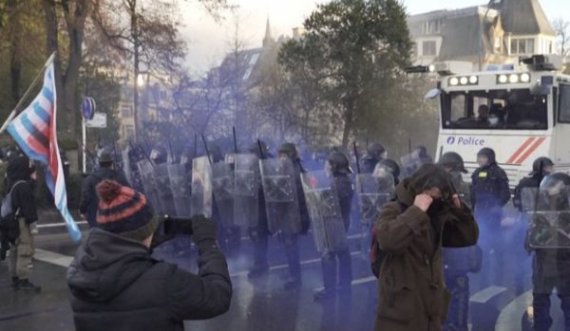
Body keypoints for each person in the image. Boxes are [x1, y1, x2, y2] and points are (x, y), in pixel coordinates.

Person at [67, 180, 232, 331]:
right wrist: (207, 243)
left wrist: (169, 228)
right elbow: (217, 296)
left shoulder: (81, 274)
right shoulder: (163, 281)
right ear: (145, 233)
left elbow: (125, 245)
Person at [375, 164, 478, 331]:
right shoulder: (395, 208)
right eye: (432, 193)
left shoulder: (436, 213)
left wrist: (460, 211)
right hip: (401, 312)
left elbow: (467, 237)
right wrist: (416, 211)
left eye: (440, 194)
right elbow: (388, 240)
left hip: (430, 311)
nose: (434, 198)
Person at [439, 152, 481, 331]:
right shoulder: (467, 186)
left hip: (447, 244)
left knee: (445, 286)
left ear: (447, 167)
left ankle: (448, 323)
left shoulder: (442, 187)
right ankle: (459, 325)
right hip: (463, 243)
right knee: (460, 287)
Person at [527, 173, 570, 331]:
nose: (550, 192)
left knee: (568, 300)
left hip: (565, 262)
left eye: (554, 189)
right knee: (540, 300)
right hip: (543, 262)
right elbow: (532, 237)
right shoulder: (540, 208)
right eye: (549, 188)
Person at [314, 151, 354, 301]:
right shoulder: (344, 180)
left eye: (328, 163)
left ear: (334, 165)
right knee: (343, 254)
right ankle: (345, 287)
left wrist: (318, 198)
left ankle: (330, 291)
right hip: (342, 221)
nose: (325, 165)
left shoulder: (338, 183)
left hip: (334, 223)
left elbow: (329, 204)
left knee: (329, 255)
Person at [471, 148, 510, 283]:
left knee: (497, 242)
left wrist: (496, 206)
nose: (480, 160)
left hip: (494, 215)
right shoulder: (476, 173)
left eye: (483, 157)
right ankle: (484, 270)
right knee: (482, 242)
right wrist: (472, 209)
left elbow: (506, 194)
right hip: (480, 213)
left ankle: (500, 271)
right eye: (479, 157)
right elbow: (473, 194)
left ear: (490, 158)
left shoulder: (498, 173)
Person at [277, 142, 310, 290]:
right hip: (290, 214)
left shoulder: (293, 169)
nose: (281, 158)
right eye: (280, 155)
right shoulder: (294, 167)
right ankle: (293, 273)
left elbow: (292, 193)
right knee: (289, 246)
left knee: (291, 246)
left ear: (289, 155)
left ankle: (296, 278)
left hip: (293, 214)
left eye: (283, 155)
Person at [7, 155, 41, 292]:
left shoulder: (12, 184)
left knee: (14, 250)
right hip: (22, 222)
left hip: (11, 222)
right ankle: (23, 279)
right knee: (25, 249)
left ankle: (15, 278)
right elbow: (28, 207)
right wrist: (33, 223)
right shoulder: (24, 186)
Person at [80, 150, 129, 228]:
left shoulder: (90, 179)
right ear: (111, 163)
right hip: (116, 215)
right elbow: (128, 192)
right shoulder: (119, 176)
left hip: (96, 216)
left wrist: (82, 210)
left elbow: (86, 197)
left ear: (99, 163)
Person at [248, 141, 272, 279]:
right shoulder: (253, 165)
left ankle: (260, 264)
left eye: (253, 152)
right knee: (254, 235)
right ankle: (259, 262)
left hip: (263, 207)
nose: (251, 155)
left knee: (260, 236)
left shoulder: (267, 165)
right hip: (253, 205)